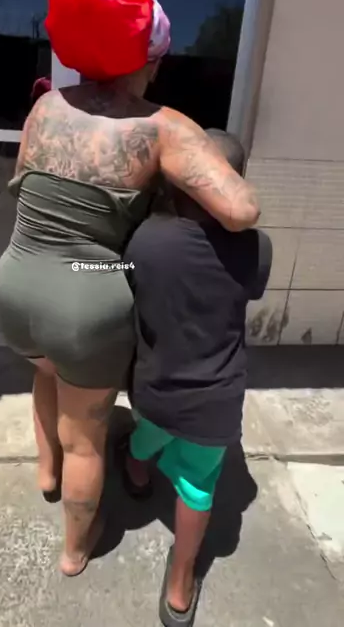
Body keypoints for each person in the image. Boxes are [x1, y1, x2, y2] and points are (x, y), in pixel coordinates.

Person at [0, 0, 261, 579]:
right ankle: (76, 548)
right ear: (152, 58)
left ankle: (47, 473)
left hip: (14, 284)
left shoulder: (44, 107)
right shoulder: (163, 127)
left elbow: (22, 186)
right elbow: (241, 210)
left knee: (45, 374)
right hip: (85, 302)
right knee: (86, 432)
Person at [121, 128, 272, 627]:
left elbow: (124, 284)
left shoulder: (146, 239)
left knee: (146, 437)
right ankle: (181, 586)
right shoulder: (257, 249)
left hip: (156, 386)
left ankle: (136, 473)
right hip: (216, 403)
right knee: (198, 487)